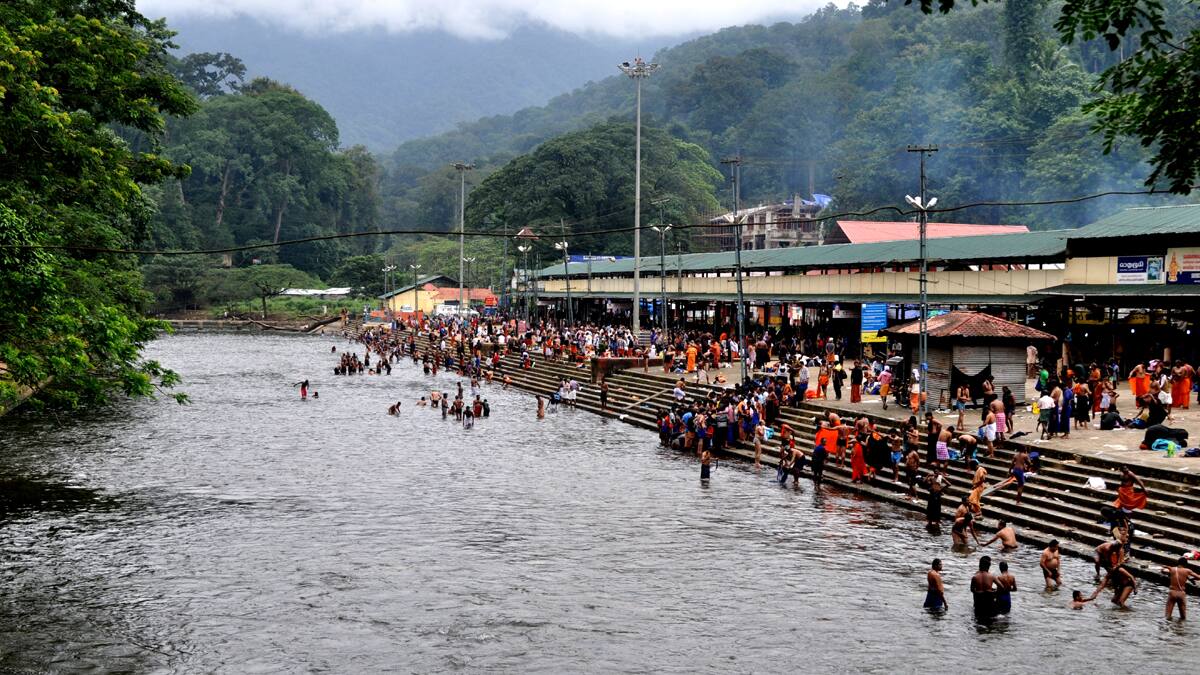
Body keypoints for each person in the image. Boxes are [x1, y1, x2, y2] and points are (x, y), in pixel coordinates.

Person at [971, 556, 997, 620]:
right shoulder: (991, 575)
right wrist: (993, 592)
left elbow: (972, 590)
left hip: (979, 602)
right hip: (989, 602)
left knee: (978, 620)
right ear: (987, 566)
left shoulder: (975, 576)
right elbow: (1001, 587)